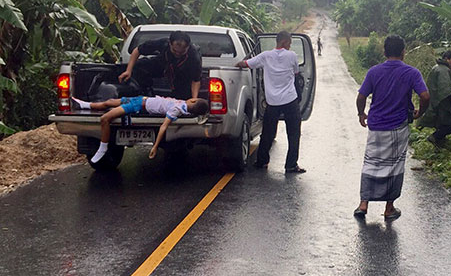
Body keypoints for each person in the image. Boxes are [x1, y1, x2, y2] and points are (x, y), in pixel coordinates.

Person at [353, 35, 430, 220]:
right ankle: (389, 208)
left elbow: (361, 97)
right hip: (398, 126)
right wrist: (421, 112)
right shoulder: (412, 73)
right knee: (394, 166)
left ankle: (363, 204)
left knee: (371, 162)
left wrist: (361, 114)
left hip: (377, 125)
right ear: (403, 52)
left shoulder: (374, 72)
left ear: (384, 52)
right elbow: (425, 96)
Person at [236, 30, 306, 173]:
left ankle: (262, 161)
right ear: (285, 42)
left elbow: (245, 64)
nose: (290, 46)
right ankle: (291, 165)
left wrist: (235, 64)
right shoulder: (292, 56)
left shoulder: (265, 56)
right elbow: (296, 73)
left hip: (272, 101)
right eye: (290, 43)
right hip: (290, 100)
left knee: (267, 132)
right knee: (293, 134)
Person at [72, 96, 209, 163]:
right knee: (109, 102)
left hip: (137, 106)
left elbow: (163, 127)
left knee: (105, 119)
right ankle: (86, 105)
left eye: (194, 99)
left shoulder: (177, 109)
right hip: (140, 99)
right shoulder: (182, 104)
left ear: (192, 102)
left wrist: (155, 146)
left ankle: (103, 148)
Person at [118, 30, 202, 100]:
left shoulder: (193, 56)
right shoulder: (163, 43)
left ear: (187, 47)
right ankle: (146, 92)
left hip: (182, 73)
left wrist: (194, 99)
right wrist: (128, 71)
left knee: (181, 95)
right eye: (175, 51)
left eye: (181, 52)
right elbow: (137, 50)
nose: (178, 54)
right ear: (170, 44)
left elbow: (196, 80)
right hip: (162, 64)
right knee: (139, 65)